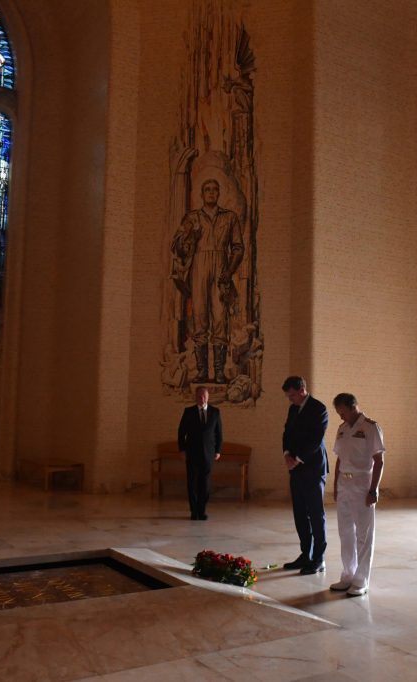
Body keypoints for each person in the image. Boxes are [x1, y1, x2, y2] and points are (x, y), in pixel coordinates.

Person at [171, 178, 244, 384]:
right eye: (207, 190)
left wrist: (228, 271)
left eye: (214, 189)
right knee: (200, 317)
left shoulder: (229, 218)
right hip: (198, 269)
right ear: (202, 195)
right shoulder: (192, 217)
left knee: (220, 319)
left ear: (219, 193)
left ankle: (219, 372)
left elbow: (238, 247)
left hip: (221, 268)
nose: (211, 193)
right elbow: (176, 246)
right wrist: (188, 236)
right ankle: (203, 371)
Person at [329, 393, 384, 597]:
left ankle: (361, 580)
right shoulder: (342, 429)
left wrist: (373, 489)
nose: (341, 417)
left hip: (362, 484)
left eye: (342, 412)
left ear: (353, 408)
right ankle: (348, 575)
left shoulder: (370, 427)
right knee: (345, 532)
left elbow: (379, 461)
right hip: (344, 483)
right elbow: (339, 459)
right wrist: (335, 485)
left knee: (364, 533)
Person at [281, 376, 329, 575]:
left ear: (302, 390)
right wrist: (286, 455)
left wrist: (297, 458)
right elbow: (287, 433)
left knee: (316, 515)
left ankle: (318, 558)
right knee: (300, 514)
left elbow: (315, 439)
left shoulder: (319, 409)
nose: (290, 400)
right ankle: (305, 554)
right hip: (296, 468)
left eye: (292, 395)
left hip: (313, 468)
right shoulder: (293, 408)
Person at [177, 386, 222, 520]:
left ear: (208, 397)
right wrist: (182, 449)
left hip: (208, 454)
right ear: (195, 397)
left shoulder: (215, 412)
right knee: (192, 483)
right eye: (199, 396)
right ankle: (194, 511)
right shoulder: (188, 412)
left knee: (205, 484)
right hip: (192, 453)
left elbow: (219, 433)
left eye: (204, 396)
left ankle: (202, 510)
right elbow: (181, 433)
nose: (202, 398)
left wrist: (218, 450)